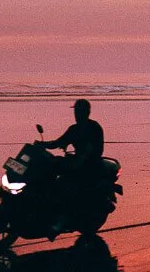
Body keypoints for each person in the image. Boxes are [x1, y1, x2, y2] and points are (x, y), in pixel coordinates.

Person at [36, 99, 104, 233]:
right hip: (77, 160)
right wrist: (42, 145)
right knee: (53, 165)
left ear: (86, 112)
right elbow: (59, 141)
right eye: (75, 111)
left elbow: (92, 149)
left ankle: (62, 220)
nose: (76, 113)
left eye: (79, 111)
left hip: (90, 165)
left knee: (66, 185)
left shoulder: (93, 128)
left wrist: (81, 159)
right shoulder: (75, 128)